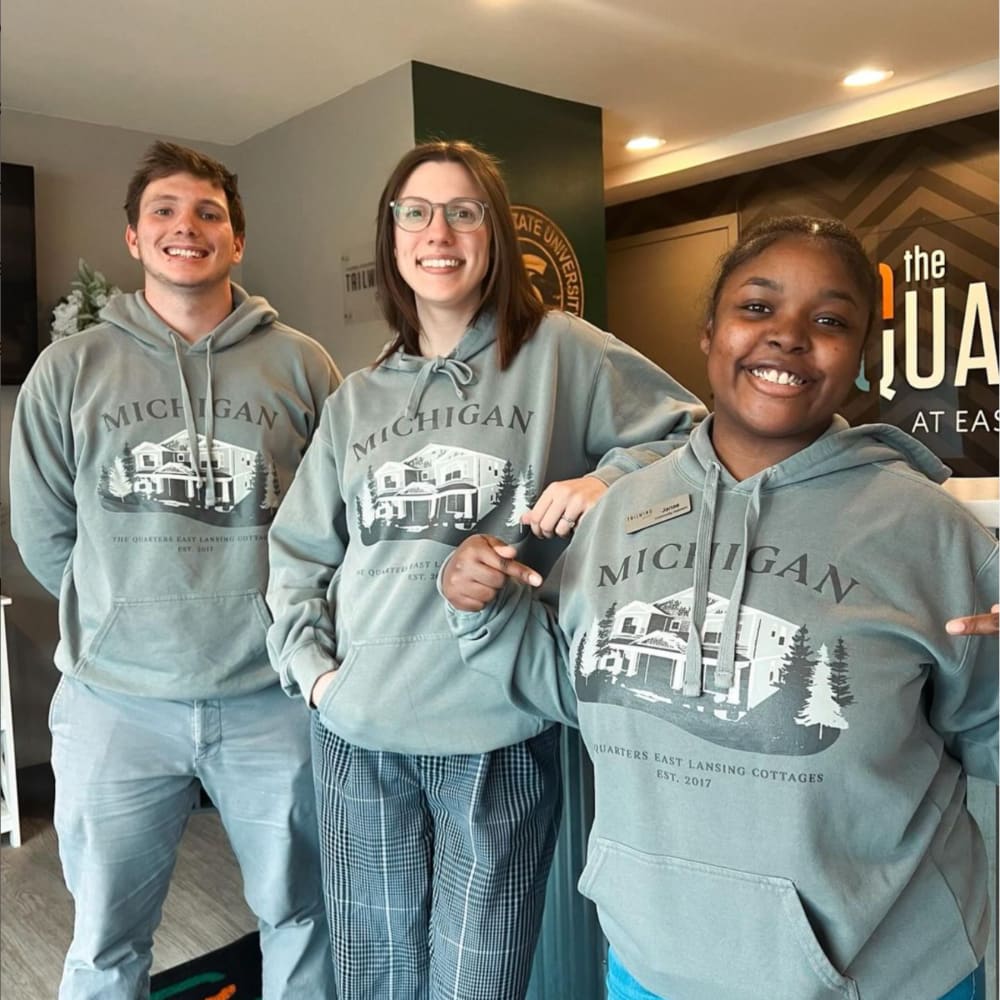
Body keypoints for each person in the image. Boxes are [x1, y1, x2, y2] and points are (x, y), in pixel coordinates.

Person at [442, 216, 998, 1000]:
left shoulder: (932, 534)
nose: (790, 337)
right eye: (757, 308)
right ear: (709, 335)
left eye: (831, 320)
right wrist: (484, 608)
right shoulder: (617, 514)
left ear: (861, 359)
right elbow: (573, 689)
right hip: (652, 968)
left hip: (888, 976)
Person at [265, 139, 706, 1000]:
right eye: (417, 212)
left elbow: (689, 435)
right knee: (375, 981)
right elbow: (299, 553)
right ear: (393, 237)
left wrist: (600, 480)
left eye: (464, 211)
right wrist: (317, 680)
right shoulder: (358, 397)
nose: (440, 231)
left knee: (478, 984)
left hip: (498, 727)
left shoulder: (561, 351)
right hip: (360, 730)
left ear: (494, 234)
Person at [9, 141, 340, 1000]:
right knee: (106, 939)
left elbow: (336, 525)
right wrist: (125, 608)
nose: (184, 227)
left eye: (207, 214)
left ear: (235, 242)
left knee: (304, 914)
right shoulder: (67, 369)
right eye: (163, 211)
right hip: (115, 700)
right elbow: (47, 534)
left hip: (274, 697)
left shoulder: (302, 365)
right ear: (132, 237)